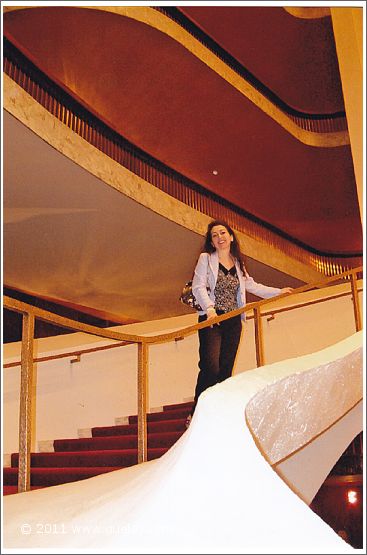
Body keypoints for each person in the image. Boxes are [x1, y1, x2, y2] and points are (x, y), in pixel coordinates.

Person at [186, 219, 293, 427]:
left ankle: (220, 413)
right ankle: (196, 413)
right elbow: (198, 286)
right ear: (211, 241)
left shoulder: (237, 262)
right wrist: (209, 308)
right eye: (215, 235)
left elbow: (252, 285)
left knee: (225, 369)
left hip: (233, 320)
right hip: (212, 318)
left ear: (231, 237)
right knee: (210, 368)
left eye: (223, 233)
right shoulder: (206, 259)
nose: (220, 237)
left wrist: (278, 292)